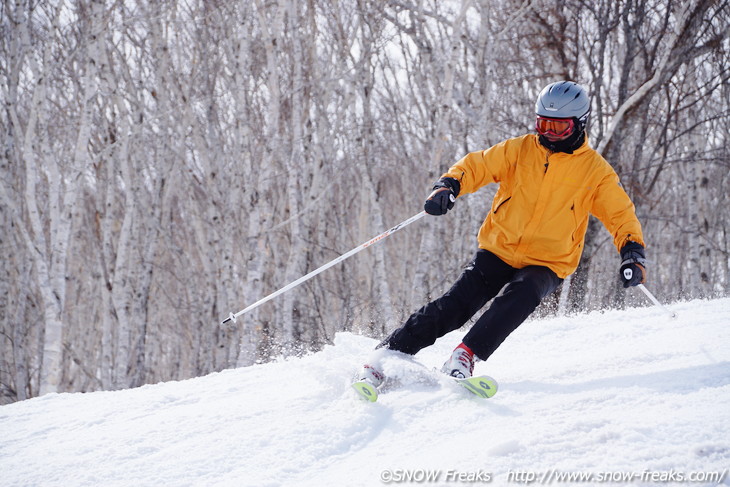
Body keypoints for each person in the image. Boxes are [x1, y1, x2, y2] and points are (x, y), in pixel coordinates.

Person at [358, 81, 647, 388]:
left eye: (557, 127)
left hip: (548, 261)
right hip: (500, 247)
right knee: (457, 303)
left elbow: (620, 215)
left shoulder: (595, 172)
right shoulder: (519, 150)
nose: (548, 133)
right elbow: (477, 165)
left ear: (579, 125)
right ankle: (388, 354)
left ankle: (464, 356)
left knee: (521, 296)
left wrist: (633, 253)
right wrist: (448, 185)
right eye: (542, 124)